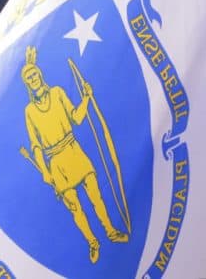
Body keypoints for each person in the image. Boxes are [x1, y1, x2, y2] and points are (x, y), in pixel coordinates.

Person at [21, 46, 128, 264]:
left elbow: (76, 118)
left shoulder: (58, 92)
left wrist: (87, 98)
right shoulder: (29, 111)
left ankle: (110, 231)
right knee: (75, 207)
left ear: (40, 75)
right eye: (28, 77)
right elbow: (36, 146)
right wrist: (45, 171)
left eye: (34, 74)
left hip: (73, 150)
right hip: (56, 161)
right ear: (27, 84)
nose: (33, 78)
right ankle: (92, 242)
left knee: (95, 195)